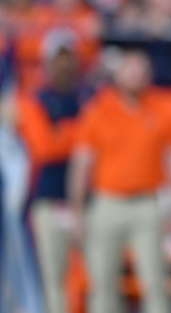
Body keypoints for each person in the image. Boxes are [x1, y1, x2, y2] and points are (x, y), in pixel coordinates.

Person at [68, 48, 171, 313]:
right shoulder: (98, 111)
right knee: (102, 284)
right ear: (118, 74)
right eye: (129, 68)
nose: (135, 75)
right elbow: (82, 164)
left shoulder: (162, 110)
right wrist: (77, 209)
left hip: (147, 203)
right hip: (107, 202)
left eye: (140, 69)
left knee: (156, 283)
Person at [17, 29, 93, 313]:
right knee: (53, 279)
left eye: (69, 58)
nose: (64, 65)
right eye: (58, 59)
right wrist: (82, 134)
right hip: (48, 199)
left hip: (89, 200)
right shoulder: (34, 99)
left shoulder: (90, 96)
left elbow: (100, 139)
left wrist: (67, 134)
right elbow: (45, 146)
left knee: (97, 275)